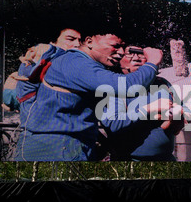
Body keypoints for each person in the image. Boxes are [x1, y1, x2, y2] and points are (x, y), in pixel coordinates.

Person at [15, 33, 170, 161]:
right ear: (89, 41)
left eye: (123, 47)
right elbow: (128, 87)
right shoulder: (76, 63)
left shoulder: (88, 68)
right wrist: (152, 63)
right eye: (115, 46)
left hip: (67, 147)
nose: (121, 52)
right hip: (55, 149)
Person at [101, 45, 188, 161]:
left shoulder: (162, 83)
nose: (136, 58)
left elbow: (185, 111)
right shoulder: (114, 87)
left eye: (141, 53)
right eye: (130, 53)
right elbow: (114, 124)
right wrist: (149, 108)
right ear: (119, 59)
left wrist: (179, 115)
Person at [2, 28, 82, 112]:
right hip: (33, 109)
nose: (77, 44)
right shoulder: (45, 53)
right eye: (70, 39)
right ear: (53, 42)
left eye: (79, 40)